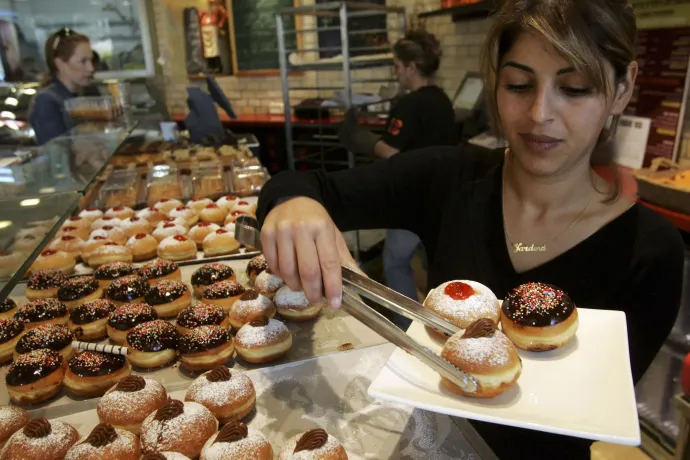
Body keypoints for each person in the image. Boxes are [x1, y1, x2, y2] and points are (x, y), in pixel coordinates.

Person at [256, 0, 685, 458]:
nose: (540, 112)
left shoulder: (650, 251)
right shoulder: (451, 176)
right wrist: (294, 204)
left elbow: (592, 415)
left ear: (623, 88)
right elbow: (302, 183)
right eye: (519, 84)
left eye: (575, 88)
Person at [338, 30, 457, 322]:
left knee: (395, 261)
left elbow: (392, 152)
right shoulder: (443, 100)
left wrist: (361, 139)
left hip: (414, 198)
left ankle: (409, 327)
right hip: (444, 195)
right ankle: (442, 321)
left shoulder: (410, 104)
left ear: (411, 67)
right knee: (433, 265)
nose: (397, 72)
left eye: (398, 66)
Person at [29, 28, 94, 144]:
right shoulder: (46, 101)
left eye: (91, 60)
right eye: (83, 61)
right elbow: (57, 151)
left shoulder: (78, 95)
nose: (91, 68)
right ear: (59, 64)